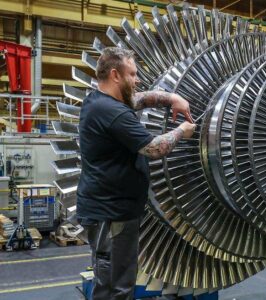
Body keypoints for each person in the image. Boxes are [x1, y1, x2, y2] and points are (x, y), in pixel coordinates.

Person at [76, 47, 196, 300]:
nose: (137, 79)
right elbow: (154, 148)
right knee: (114, 287)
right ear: (115, 75)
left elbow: (139, 98)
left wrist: (171, 98)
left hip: (114, 212)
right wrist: (182, 131)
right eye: (132, 74)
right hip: (111, 215)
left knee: (116, 279)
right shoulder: (113, 113)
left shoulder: (98, 101)